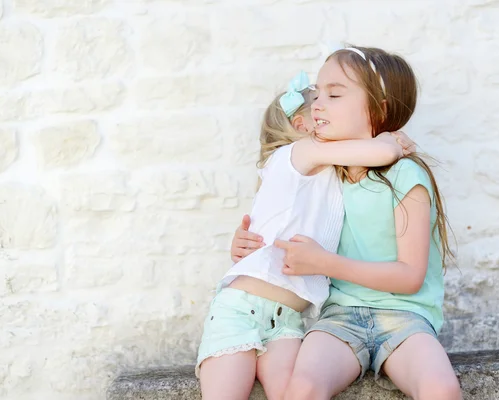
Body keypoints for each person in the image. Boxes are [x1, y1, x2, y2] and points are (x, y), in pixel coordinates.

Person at [230, 47, 462, 400]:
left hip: (404, 317)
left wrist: (326, 263)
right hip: (338, 318)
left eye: (334, 94)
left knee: (440, 388)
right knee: (303, 388)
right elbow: (280, 215)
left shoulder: (405, 175)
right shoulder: (324, 174)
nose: (318, 104)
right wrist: (247, 243)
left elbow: (409, 277)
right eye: (317, 93)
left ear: (379, 108)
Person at [198, 70, 414, 400]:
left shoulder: (331, 172)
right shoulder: (300, 153)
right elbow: (382, 153)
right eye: (318, 107)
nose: (325, 110)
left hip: (288, 321)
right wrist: (390, 140)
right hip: (241, 310)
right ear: (302, 127)